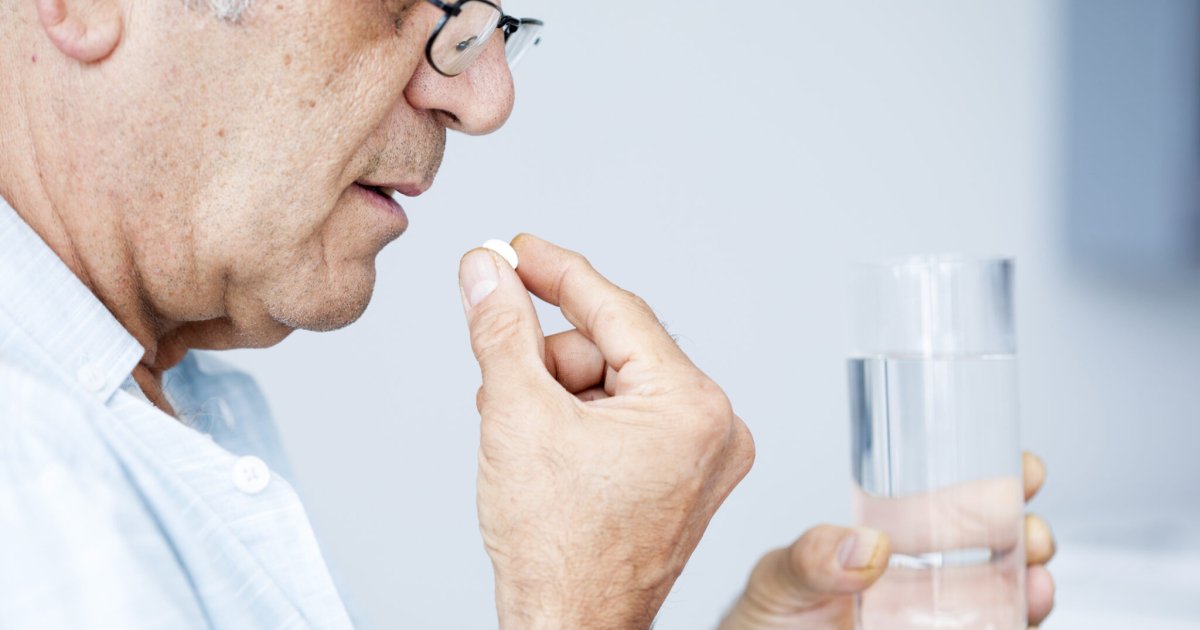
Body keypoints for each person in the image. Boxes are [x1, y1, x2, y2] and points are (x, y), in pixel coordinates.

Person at [0, 0, 1056, 627]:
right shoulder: (24, 471)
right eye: (420, 5)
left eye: (495, 27)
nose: (486, 98)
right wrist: (578, 606)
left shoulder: (181, 410)